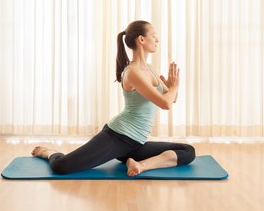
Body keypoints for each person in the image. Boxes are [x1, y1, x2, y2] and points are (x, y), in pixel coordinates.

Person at [32, 20, 196, 177]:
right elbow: (165, 103)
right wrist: (173, 87)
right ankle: (49, 152)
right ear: (141, 39)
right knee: (62, 167)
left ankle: (140, 165)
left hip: (135, 142)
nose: (157, 39)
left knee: (188, 151)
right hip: (118, 137)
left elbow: (172, 98)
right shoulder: (133, 73)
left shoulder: (150, 69)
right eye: (153, 35)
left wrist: (172, 87)